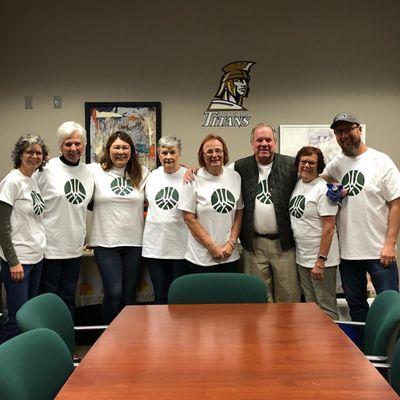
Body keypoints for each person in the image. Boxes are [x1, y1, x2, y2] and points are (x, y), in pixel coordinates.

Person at [323, 112, 400, 322]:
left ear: (359, 130)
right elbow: (319, 178)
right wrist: (332, 187)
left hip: (379, 253)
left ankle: (389, 354)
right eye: (339, 132)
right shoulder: (337, 164)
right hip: (348, 255)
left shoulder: (380, 161)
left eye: (348, 130)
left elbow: (396, 203)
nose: (344, 135)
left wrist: (390, 244)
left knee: (390, 309)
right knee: (356, 309)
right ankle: (364, 351)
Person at [234, 123, 300, 302]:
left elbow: (315, 177)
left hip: (284, 244)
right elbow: (215, 174)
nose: (264, 143)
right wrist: (191, 171)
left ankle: (286, 331)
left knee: (288, 298)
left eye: (268, 139)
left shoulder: (292, 165)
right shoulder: (239, 167)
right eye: (259, 140)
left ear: (275, 142)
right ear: (252, 143)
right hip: (254, 246)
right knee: (259, 299)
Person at [88, 131, 149, 323]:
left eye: (125, 147)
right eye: (116, 147)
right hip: (105, 242)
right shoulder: (94, 171)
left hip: (134, 243)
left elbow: (169, 174)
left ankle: (126, 339)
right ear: (108, 150)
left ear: (132, 151)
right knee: (114, 291)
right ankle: (105, 337)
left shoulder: (143, 173)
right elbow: (68, 170)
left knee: (129, 295)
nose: (120, 151)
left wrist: (190, 170)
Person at [36, 121, 94, 315]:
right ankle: (48, 341)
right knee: (50, 298)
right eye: (68, 143)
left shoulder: (89, 172)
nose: (73, 148)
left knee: (69, 297)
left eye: (78, 143)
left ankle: (67, 341)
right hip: (50, 247)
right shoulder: (45, 169)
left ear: (84, 146)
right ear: (60, 145)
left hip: (74, 247)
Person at [0, 134, 48, 343]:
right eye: (29, 152)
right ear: (20, 154)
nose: (34, 156)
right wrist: (13, 261)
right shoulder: (12, 181)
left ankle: (26, 361)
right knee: (18, 319)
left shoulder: (32, 180)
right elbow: (2, 226)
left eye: (38, 153)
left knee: (29, 317)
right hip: (19, 262)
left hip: (36, 257)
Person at [178, 134, 243, 273]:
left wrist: (231, 243)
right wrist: (211, 247)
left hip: (229, 255)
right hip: (201, 258)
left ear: (224, 153)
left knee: (229, 295)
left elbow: (239, 212)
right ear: (202, 156)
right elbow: (188, 218)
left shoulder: (235, 177)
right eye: (209, 151)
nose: (214, 155)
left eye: (218, 150)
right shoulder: (192, 178)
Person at [289, 147, 339, 319]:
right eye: (303, 161)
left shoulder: (323, 189)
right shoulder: (297, 184)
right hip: (302, 258)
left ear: (319, 165)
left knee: (326, 307)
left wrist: (320, 261)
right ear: (298, 164)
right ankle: (314, 344)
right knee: (310, 306)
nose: (307, 166)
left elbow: (329, 227)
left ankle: (332, 345)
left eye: (312, 162)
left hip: (321, 260)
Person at [142, 136, 188, 304]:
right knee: (160, 296)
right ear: (159, 155)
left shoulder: (189, 176)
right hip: (155, 247)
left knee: (179, 297)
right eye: (164, 152)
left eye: (172, 152)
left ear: (179, 154)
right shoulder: (150, 176)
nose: (168, 156)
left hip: (181, 248)